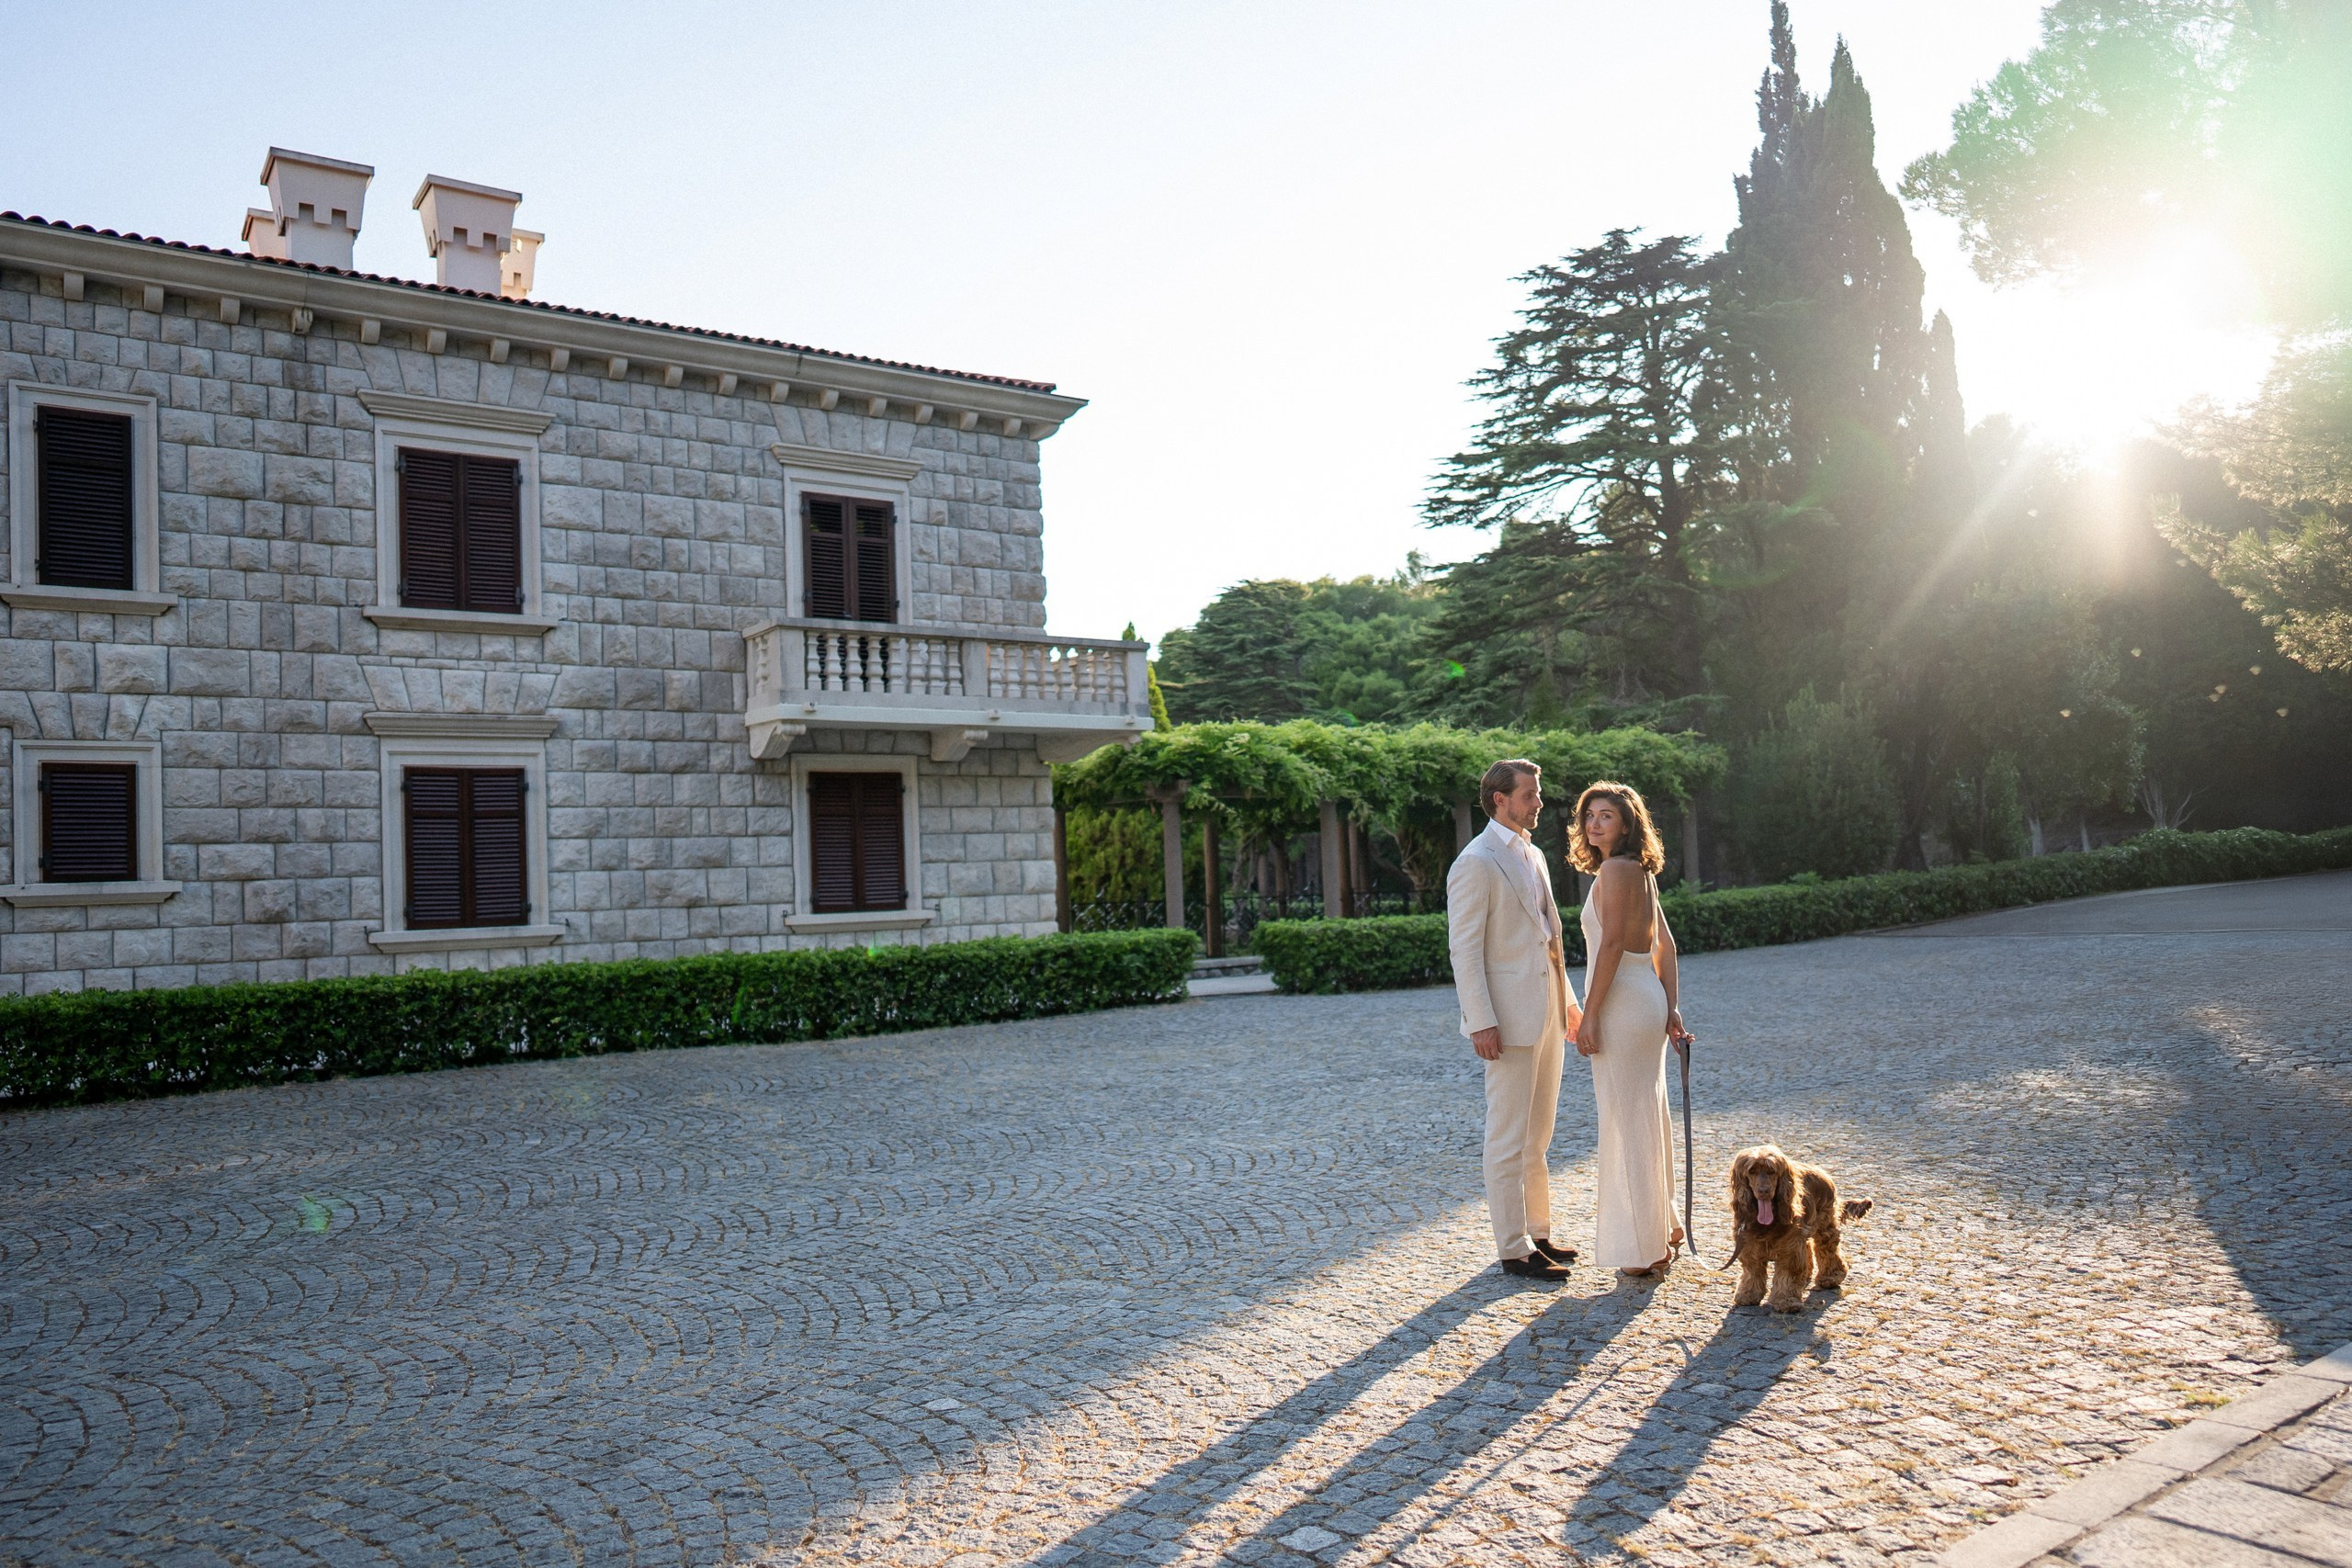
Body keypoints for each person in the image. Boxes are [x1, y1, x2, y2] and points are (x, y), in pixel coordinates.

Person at [1446, 758, 1583, 1281]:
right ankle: (1512, 1247)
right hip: (1504, 1020)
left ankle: (1538, 1231)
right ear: (1500, 799)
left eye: (1538, 793)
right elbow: (1466, 951)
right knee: (1507, 1136)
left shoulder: (1536, 854)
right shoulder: (1475, 862)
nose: (1540, 802)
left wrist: (1568, 1005)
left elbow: (1550, 939)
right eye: (1531, 794)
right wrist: (1481, 1021)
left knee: (1539, 1133)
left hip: (1547, 1012)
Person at [1568, 780, 1690, 1278]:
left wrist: (1591, 1013)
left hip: (1622, 1002)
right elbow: (1667, 947)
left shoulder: (1617, 871)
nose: (1595, 823)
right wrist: (1671, 1008)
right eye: (1590, 815)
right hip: (1646, 998)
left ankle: (1646, 1249)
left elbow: (1613, 945)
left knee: (1627, 1118)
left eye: (1607, 816)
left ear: (1627, 824)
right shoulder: (1639, 871)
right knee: (1647, 1112)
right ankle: (1664, 1227)